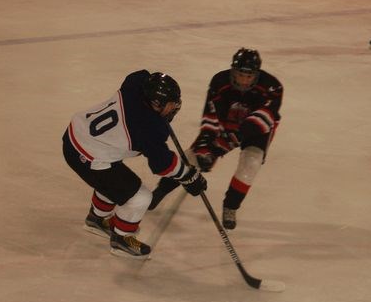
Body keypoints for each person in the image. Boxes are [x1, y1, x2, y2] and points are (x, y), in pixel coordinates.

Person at [62, 71, 207, 260]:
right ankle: (121, 239)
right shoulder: (148, 127)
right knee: (140, 197)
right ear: (156, 104)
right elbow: (162, 164)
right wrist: (188, 176)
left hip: (75, 134)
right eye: (170, 104)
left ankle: (96, 219)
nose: (175, 107)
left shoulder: (135, 85)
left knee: (111, 177)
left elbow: (143, 75)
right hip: (88, 156)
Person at [148, 48, 283, 231]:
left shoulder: (272, 87)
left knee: (251, 163)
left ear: (256, 75)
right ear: (233, 71)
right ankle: (161, 190)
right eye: (240, 74)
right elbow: (212, 115)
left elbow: (263, 118)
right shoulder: (220, 81)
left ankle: (231, 206)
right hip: (227, 123)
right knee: (191, 158)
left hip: (258, 131)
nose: (243, 80)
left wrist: (223, 145)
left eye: (248, 76)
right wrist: (206, 145)